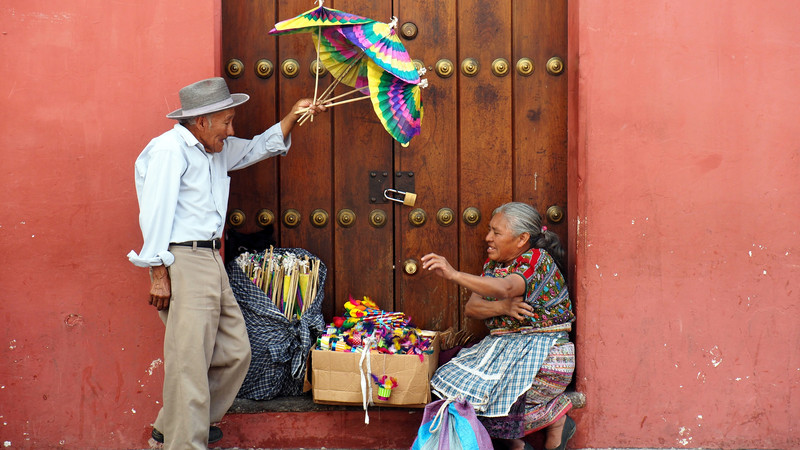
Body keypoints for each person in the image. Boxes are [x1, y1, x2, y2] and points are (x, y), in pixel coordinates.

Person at [127, 77, 325, 449]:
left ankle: (171, 429)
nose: (231, 131)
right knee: (189, 363)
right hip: (182, 259)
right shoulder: (169, 151)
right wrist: (157, 271)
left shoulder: (214, 148)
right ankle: (185, 442)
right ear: (202, 122)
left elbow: (254, 149)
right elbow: (154, 213)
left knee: (236, 351)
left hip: (211, 259)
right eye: (227, 122)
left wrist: (293, 117)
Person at [421, 202, 576, 450]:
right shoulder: (494, 265)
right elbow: (473, 308)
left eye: (496, 232)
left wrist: (454, 274)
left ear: (522, 239)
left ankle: (556, 417)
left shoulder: (536, 260)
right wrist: (503, 308)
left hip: (545, 355)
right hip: (505, 350)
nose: (487, 238)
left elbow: (506, 287)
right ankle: (515, 443)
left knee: (489, 406)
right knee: (453, 393)